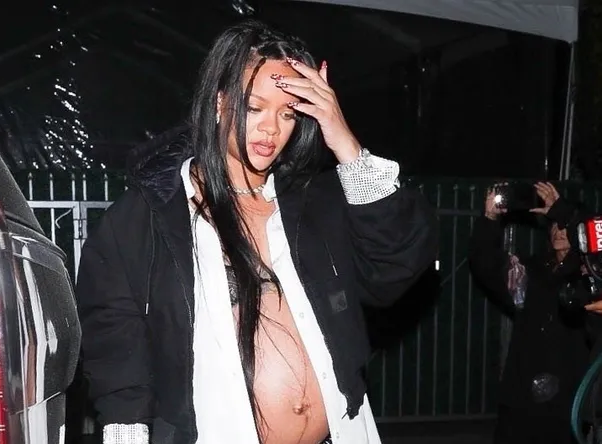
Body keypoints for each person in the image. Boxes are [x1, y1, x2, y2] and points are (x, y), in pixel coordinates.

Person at [76, 20, 438, 444]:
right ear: (220, 101)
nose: (271, 129)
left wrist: (344, 141)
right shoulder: (149, 215)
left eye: (288, 113)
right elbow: (115, 347)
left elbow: (396, 266)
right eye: (254, 107)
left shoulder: (314, 203)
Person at [469, 182, 592, 444]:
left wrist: (563, 211)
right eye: (554, 224)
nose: (559, 230)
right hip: (521, 394)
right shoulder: (533, 270)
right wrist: (489, 219)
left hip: (567, 399)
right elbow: (487, 266)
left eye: (566, 225)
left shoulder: (590, 275)